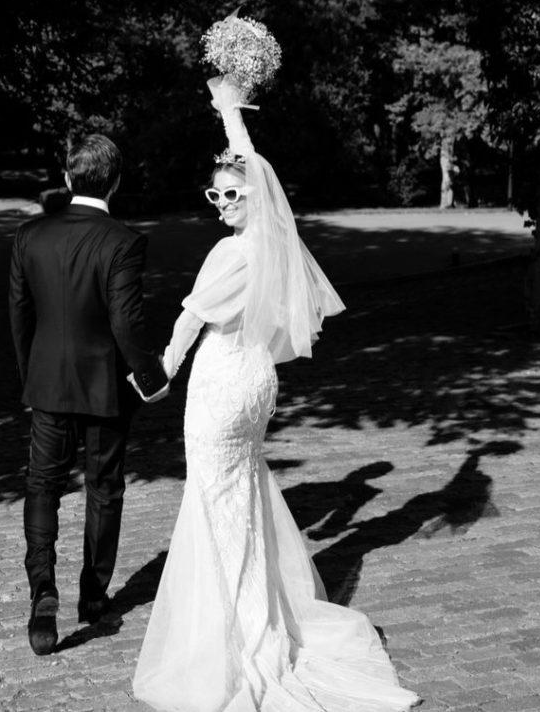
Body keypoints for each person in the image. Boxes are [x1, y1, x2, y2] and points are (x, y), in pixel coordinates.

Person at [131, 78, 421, 711]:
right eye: (214, 194)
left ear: (254, 195)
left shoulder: (230, 253)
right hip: (258, 382)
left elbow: (190, 317)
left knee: (215, 505)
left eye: (232, 194)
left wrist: (161, 373)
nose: (221, 203)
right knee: (242, 498)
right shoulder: (273, 244)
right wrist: (230, 113)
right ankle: (251, 613)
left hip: (221, 385)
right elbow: (250, 163)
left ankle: (234, 636)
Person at [9, 133, 169, 656]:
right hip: (105, 386)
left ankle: (42, 589)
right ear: (116, 182)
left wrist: (31, 376)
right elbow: (126, 323)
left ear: (67, 177)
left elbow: (20, 315)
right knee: (104, 488)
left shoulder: (30, 235)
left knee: (42, 485)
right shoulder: (123, 241)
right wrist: (152, 377)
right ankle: (94, 595)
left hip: (48, 384)